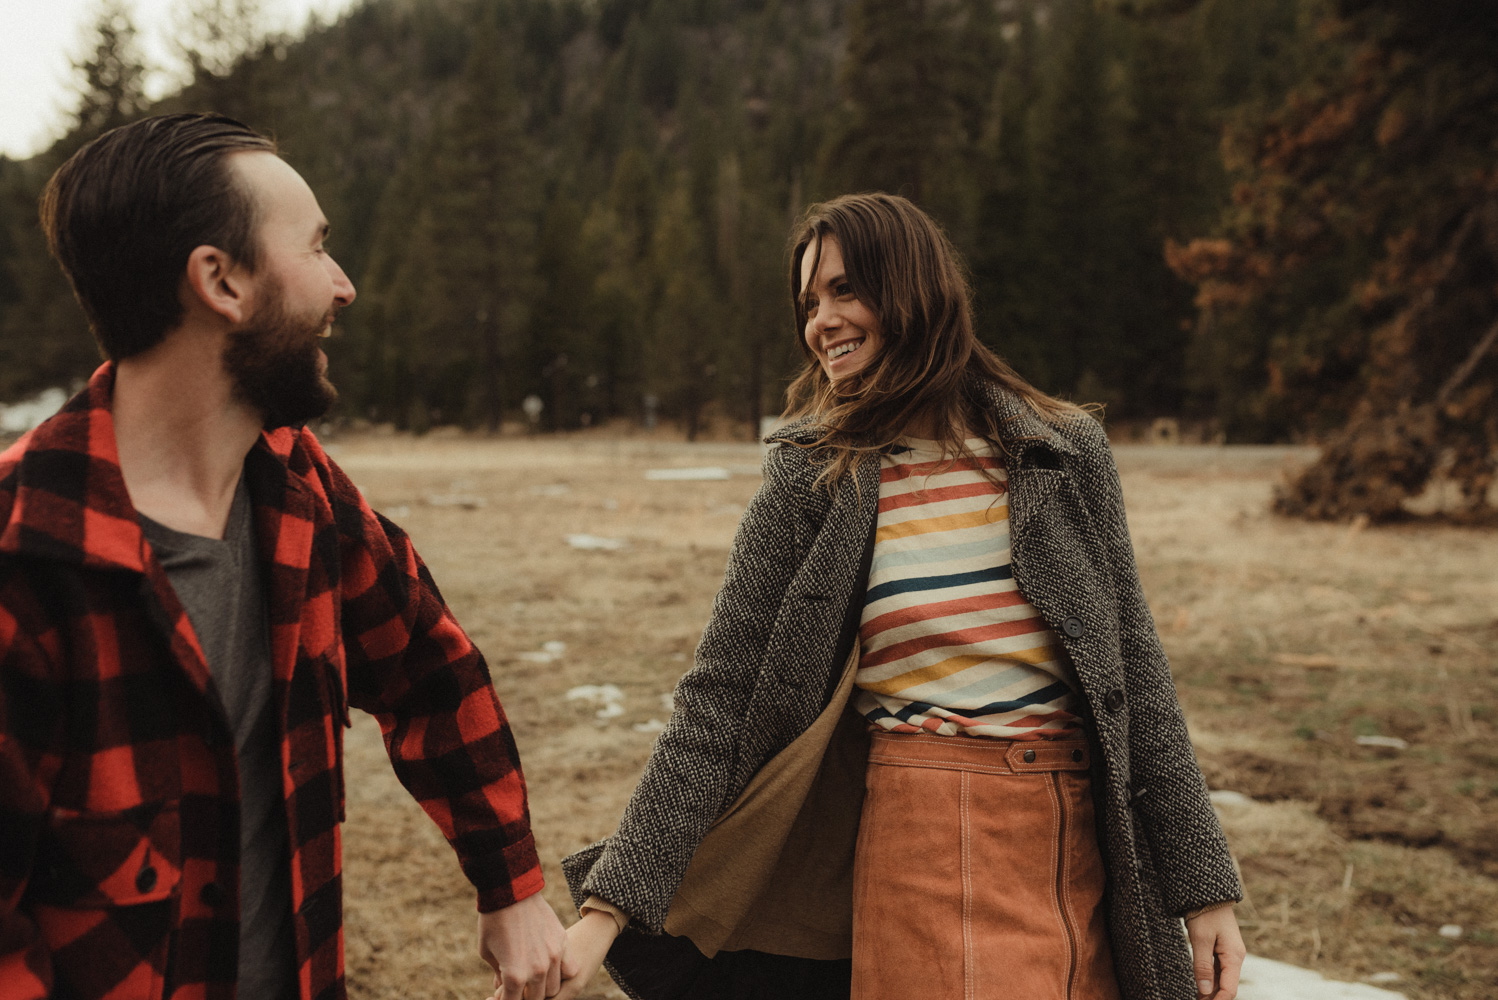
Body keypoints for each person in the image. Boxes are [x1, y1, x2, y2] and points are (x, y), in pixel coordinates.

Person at [555, 193, 1246, 1000]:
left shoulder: (1060, 450)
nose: (822, 321)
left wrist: (1204, 890)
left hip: (1081, 848)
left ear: (915, 290)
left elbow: (1135, 672)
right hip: (923, 843)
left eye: (845, 291)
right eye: (810, 302)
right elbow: (722, 699)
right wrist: (610, 906)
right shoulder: (814, 475)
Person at [0, 114, 571, 1000]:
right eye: (316, 248)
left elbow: (431, 667)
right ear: (220, 281)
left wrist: (513, 886)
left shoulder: (297, 486)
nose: (344, 287)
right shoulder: (25, 556)